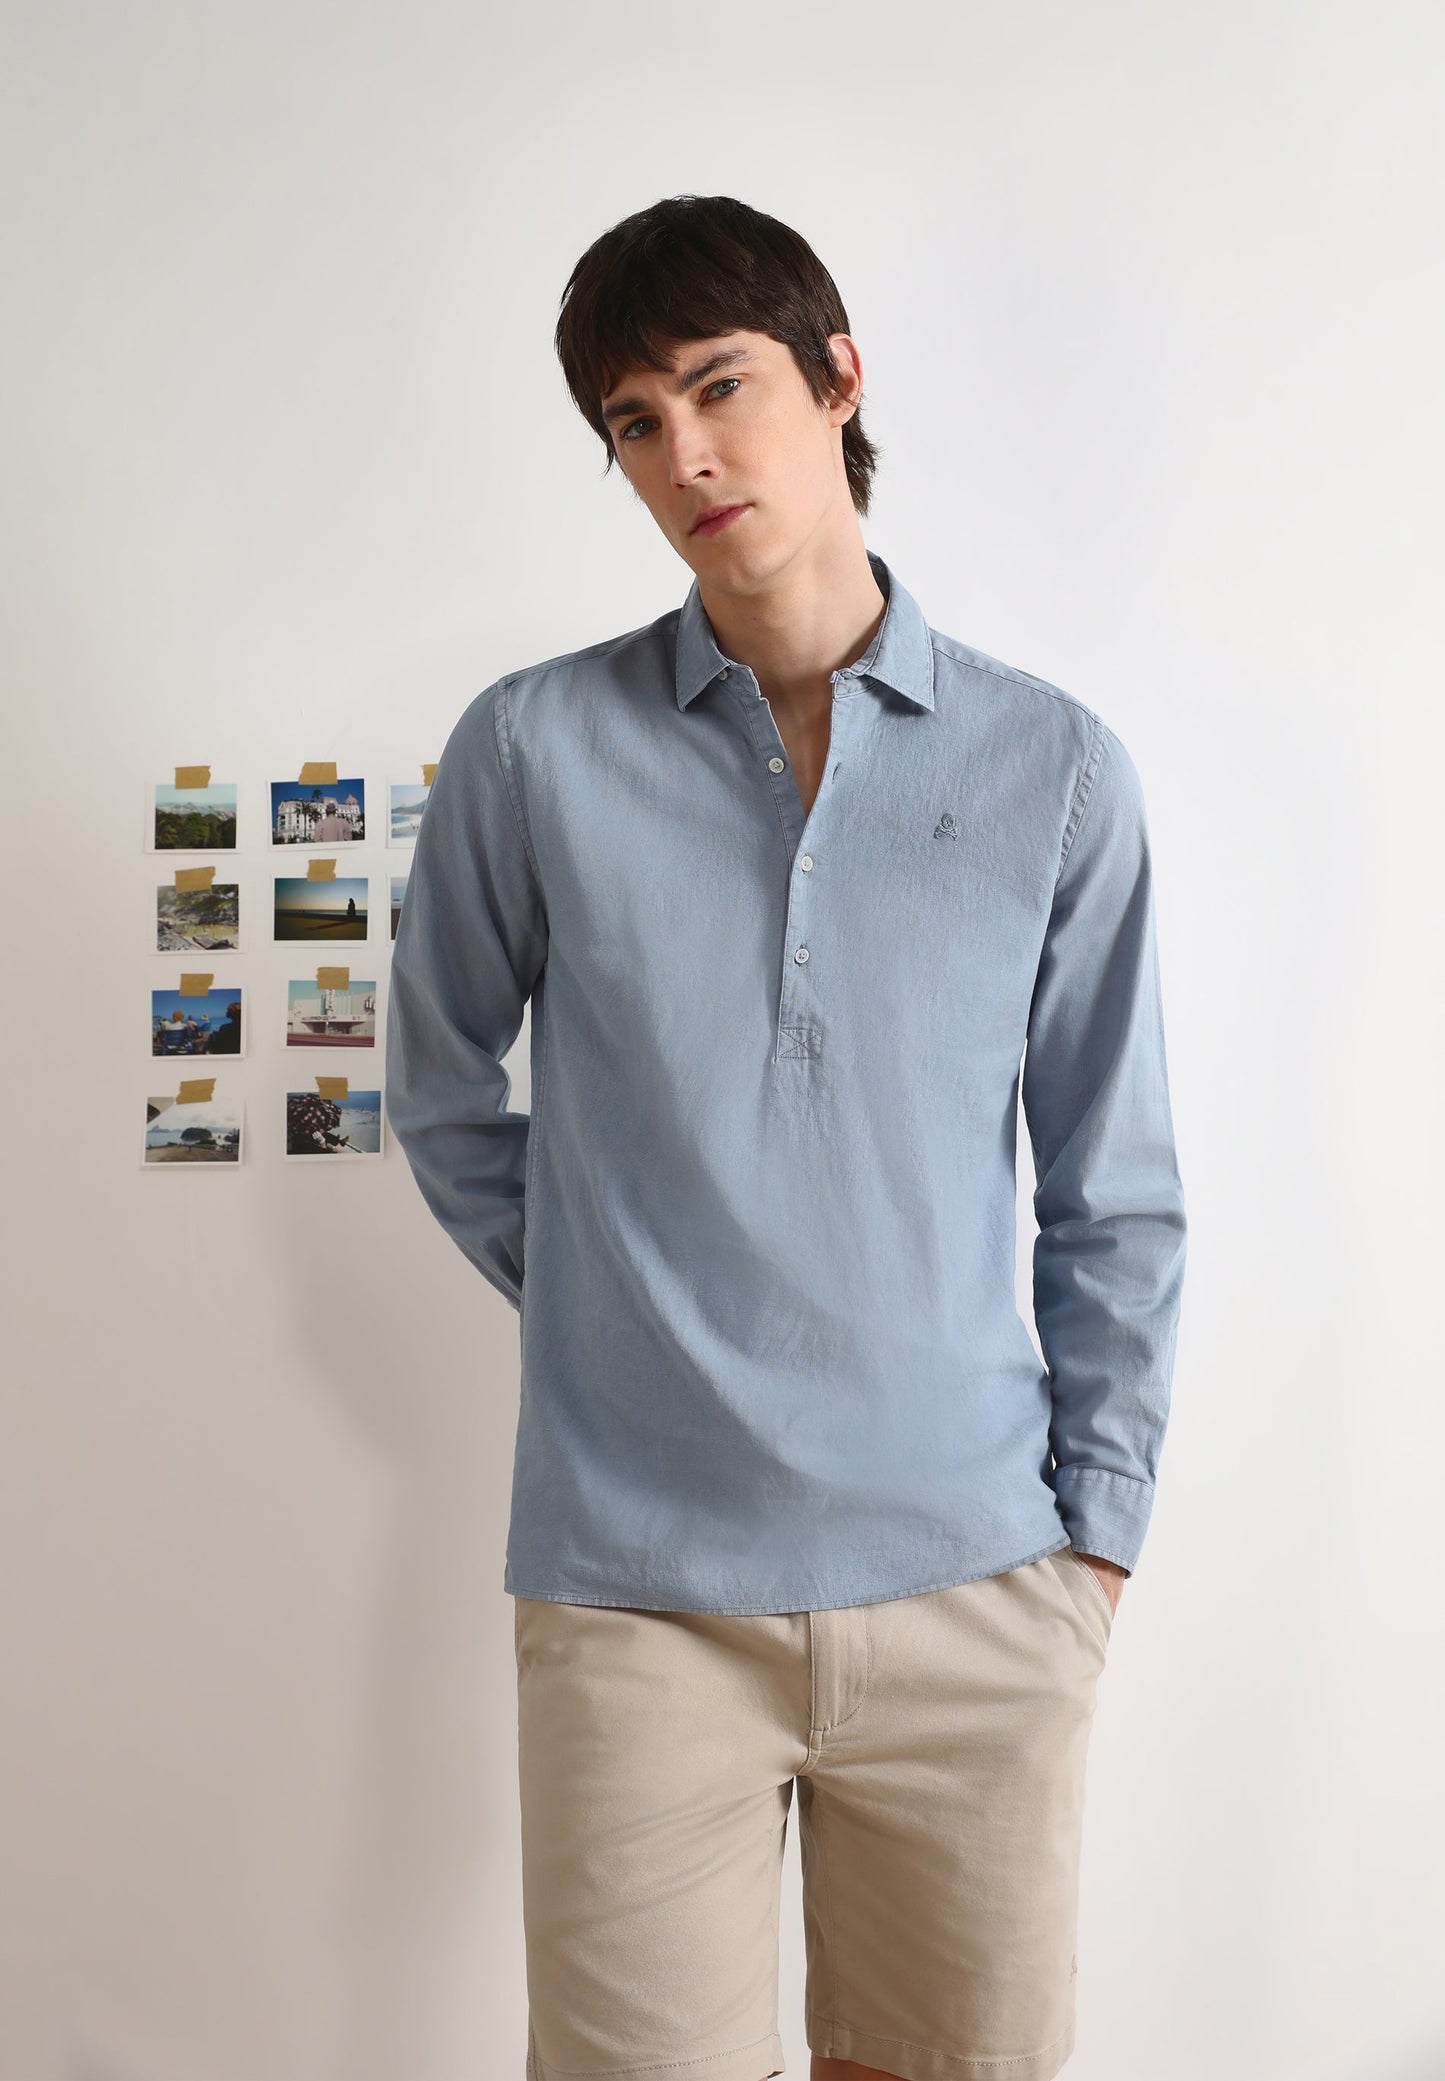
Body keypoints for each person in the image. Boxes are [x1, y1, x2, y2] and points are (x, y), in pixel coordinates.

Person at [385, 194, 1187, 2081]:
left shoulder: (1053, 767)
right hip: (635, 1597)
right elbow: (439, 1090)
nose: (684, 453)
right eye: (633, 422)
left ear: (837, 379)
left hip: (978, 1582)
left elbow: (1116, 1188)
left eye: (718, 385)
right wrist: (615, 1288)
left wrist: (1094, 1544)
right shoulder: (530, 749)